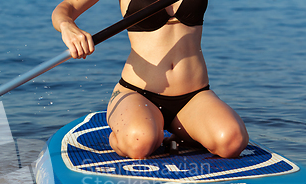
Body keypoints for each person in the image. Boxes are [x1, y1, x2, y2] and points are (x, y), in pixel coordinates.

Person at [52, 0, 249, 159]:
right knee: (139, 144)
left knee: (232, 142)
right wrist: (68, 26)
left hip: (194, 97)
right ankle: (128, 132)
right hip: (139, 93)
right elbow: (65, 7)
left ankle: (178, 135)